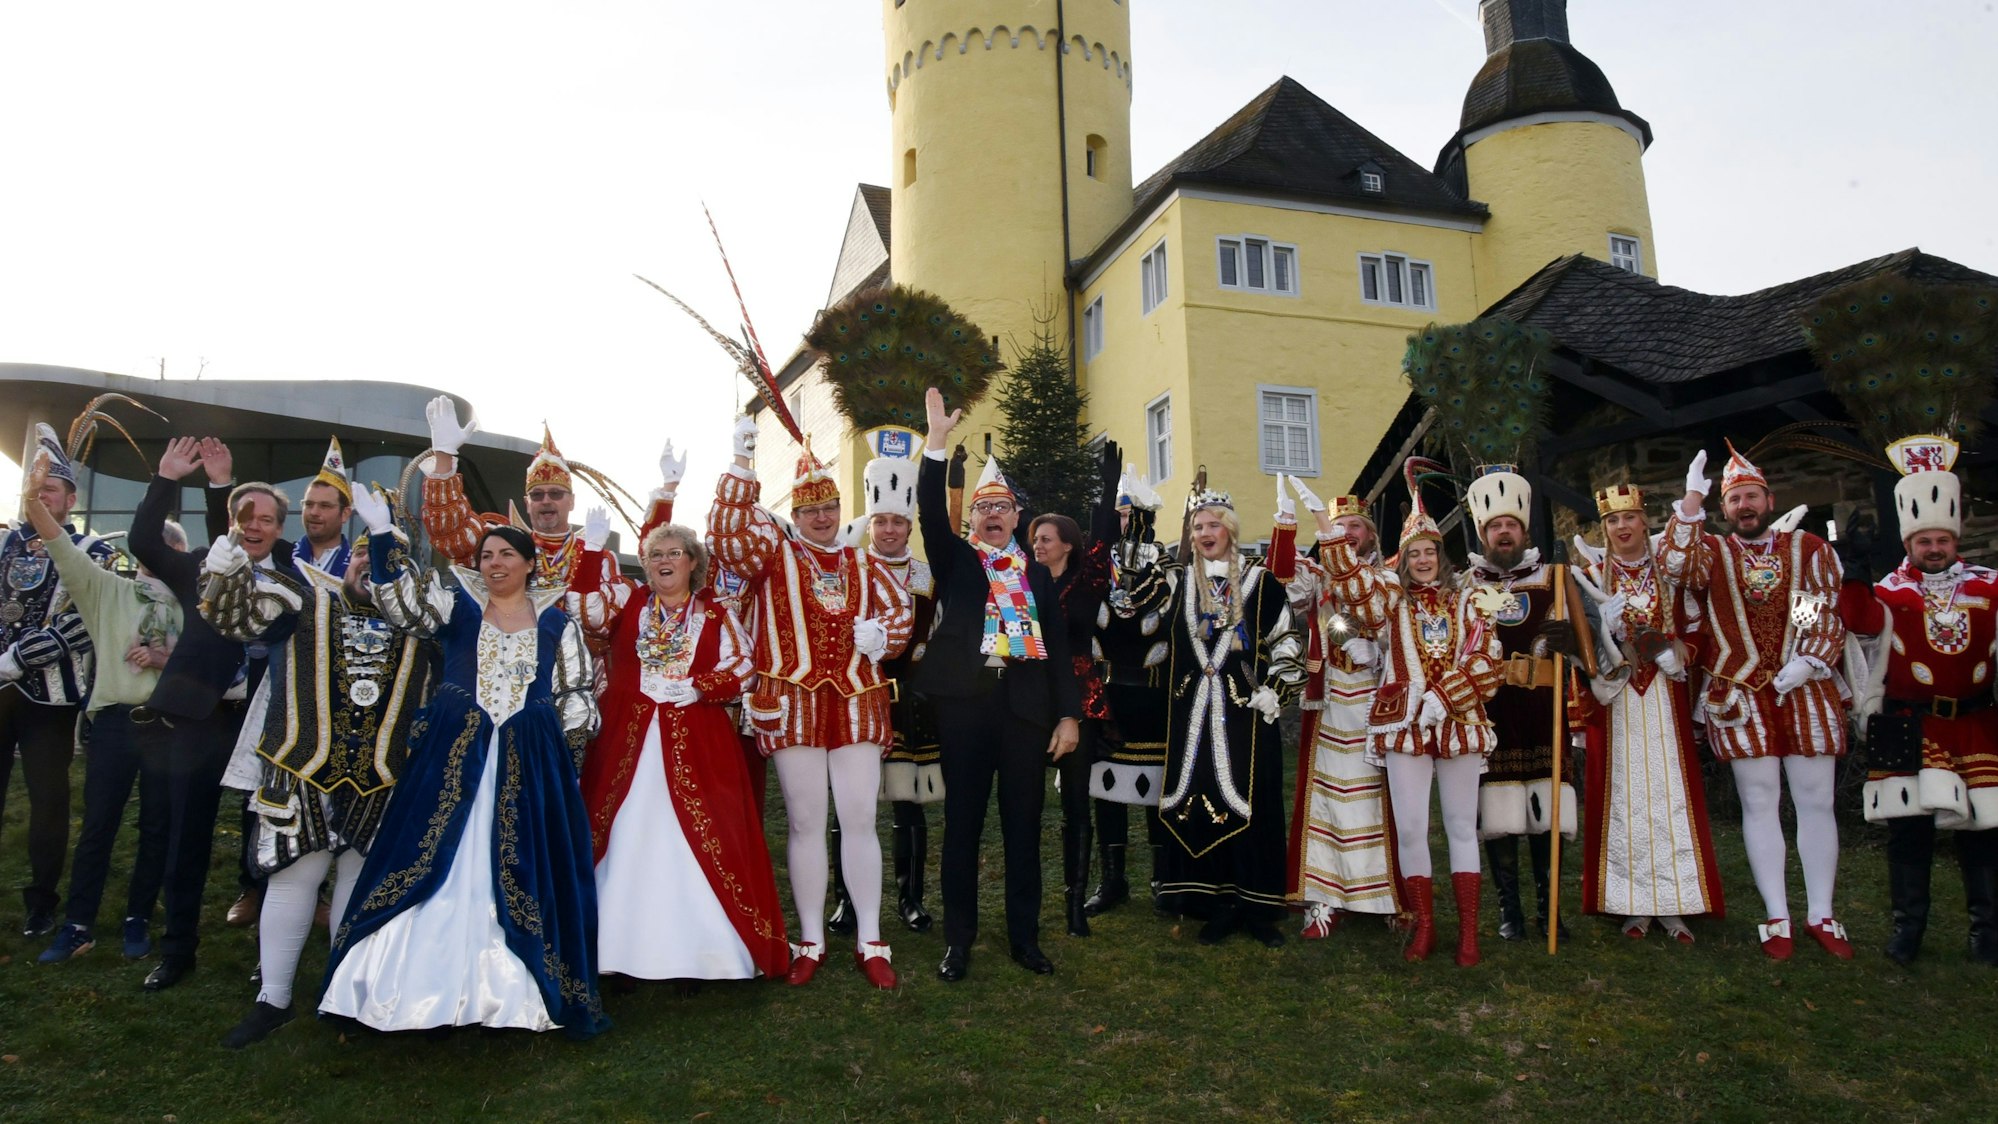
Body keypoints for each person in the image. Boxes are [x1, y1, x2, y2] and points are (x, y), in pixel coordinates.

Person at [322, 509, 606, 1037]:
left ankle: (509, 994)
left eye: (506, 555)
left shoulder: (556, 624)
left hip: (528, 763)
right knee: (431, 858)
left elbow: (576, 695)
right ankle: (405, 988)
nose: (494, 564)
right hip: (454, 756)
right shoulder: (456, 607)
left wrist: (558, 758)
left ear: (528, 563)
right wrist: (383, 537)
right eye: (486, 556)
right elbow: (400, 604)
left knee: (520, 863)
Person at [202, 523, 433, 1046]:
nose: (368, 571)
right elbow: (236, 617)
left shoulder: (420, 620)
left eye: (383, 564)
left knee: (356, 879)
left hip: (380, 776)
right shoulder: (303, 598)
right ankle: (274, 999)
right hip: (303, 765)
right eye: (361, 559)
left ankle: (342, 993)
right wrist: (227, 571)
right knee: (293, 878)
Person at [708, 419, 912, 989]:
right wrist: (741, 463)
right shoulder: (771, 557)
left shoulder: (867, 564)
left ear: (841, 509)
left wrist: (885, 638)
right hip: (792, 701)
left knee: (860, 820)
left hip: (857, 703)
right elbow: (725, 536)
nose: (821, 518)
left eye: (829, 507)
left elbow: (901, 617)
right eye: (809, 510)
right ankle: (811, 939)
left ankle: (872, 939)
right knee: (803, 822)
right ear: (794, 515)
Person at [573, 516, 790, 985]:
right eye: (656, 555)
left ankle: (702, 953)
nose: (664, 561)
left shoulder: (716, 613)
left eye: (674, 553)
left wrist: (700, 687)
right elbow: (584, 611)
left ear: (694, 563)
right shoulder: (628, 601)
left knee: (701, 832)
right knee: (626, 830)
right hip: (626, 739)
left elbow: (744, 665)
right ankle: (617, 950)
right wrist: (590, 552)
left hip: (696, 736)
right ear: (646, 566)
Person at [1659, 444, 1852, 959]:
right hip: (1739, 692)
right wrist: (1690, 501)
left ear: (1769, 499)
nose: (1745, 505)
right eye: (1735, 499)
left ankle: (1821, 914)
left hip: (1803, 689)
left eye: (1752, 496)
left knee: (1816, 803)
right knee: (1760, 803)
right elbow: (1674, 565)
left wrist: (1808, 659)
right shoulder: (1713, 553)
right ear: (1726, 510)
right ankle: (1777, 917)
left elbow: (1820, 608)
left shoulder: (1807, 548)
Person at [915, 388, 1081, 980]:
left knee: (1023, 827)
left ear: (1016, 517)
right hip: (964, 709)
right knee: (961, 825)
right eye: (983, 509)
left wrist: (1068, 716)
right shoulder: (957, 560)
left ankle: (1024, 938)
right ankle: (958, 940)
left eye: (1003, 509)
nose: (992, 516)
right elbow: (931, 513)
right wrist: (936, 443)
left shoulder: (1037, 574)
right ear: (974, 518)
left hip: (1025, 713)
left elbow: (1059, 651)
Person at [1119, 482, 1304, 947]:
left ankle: (1256, 905)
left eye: (1214, 524)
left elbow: (1286, 642)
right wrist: (1140, 517)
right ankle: (1211, 901)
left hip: (1246, 713)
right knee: (1200, 798)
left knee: (1252, 801)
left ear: (1231, 528)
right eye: (1198, 525)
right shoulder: (1179, 581)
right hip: (1190, 714)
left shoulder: (1262, 582)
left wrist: (1275, 691)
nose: (1206, 532)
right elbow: (1134, 587)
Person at [1837, 434, 1998, 965]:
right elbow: (1856, 624)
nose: (1933, 549)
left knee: (1983, 830)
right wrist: (1853, 576)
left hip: (1977, 723)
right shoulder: (1887, 592)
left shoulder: (1991, 587)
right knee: (1908, 834)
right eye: (1922, 541)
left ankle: (1986, 933)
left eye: (1941, 541)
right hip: (1906, 724)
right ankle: (1909, 929)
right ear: (1908, 544)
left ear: (1955, 539)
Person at [22, 432, 177, 964]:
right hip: (113, 724)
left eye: (170, 546)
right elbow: (61, 546)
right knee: (98, 828)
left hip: (168, 728)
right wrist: (33, 497)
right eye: (153, 544)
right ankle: (78, 924)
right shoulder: (106, 588)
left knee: (156, 828)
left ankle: (138, 918)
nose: (161, 554)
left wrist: (166, 659)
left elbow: (217, 665)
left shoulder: (193, 603)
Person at [127, 437, 270, 990]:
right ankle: (178, 949)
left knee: (268, 840)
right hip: (199, 718)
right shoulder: (196, 570)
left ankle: (270, 954)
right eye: (244, 516)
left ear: (279, 530)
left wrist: (223, 489)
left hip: (264, 721)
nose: (253, 526)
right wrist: (168, 478)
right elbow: (143, 538)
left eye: (266, 519)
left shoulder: (290, 580)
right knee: (186, 833)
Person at [1577, 484, 1724, 942]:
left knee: (1669, 796)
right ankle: (1631, 904)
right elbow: (1578, 643)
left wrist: (1680, 655)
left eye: (1630, 518)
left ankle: (1677, 902)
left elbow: (1702, 625)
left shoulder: (1670, 572)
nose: (1622, 527)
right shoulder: (1591, 575)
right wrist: (1607, 634)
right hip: (1618, 701)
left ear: (1645, 522)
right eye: (1613, 521)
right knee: (1623, 796)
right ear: (1605, 528)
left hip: (1665, 698)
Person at [418, 397, 677, 648]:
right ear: (526, 503)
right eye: (537, 495)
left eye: (556, 494)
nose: (546, 501)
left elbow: (601, 625)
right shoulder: (503, 542)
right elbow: (453, 538)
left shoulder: (600, 557)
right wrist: (444, 456)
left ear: (571, 501)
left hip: (576, 671)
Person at [1366, 488, 1503, 965]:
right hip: (1404, 727)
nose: (1423, 561)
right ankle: (1424, 926)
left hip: (1460, 723)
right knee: (1410, 830)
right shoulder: (1392, 602)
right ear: (1402, 560)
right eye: (1414, 554)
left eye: (1430, 552)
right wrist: (1330, 534)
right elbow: (1356, 601)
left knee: (1463, 827)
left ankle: (1468, 932)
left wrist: (1444, 698)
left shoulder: (1469, 601)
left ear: (1441, 556)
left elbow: (1488, 662)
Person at [1460, 465, 1592, 944]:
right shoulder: (1467, 585)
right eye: (1495, 526)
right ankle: (1510, 911)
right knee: (1499, 818)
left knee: (1547, 813)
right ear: (1483, 533)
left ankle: (1549, 910)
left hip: (1543, 708)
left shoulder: (1553, 576)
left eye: (1511, 525)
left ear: (1524, 529)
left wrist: (1573, 636)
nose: (1504, 532)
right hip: (1492, 710)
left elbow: (1589, 640)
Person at [0, 427, 117, 938]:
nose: (40, 496)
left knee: (48, 804)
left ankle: (41, 903)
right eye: (35, 488)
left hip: (49, 699)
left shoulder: (93, 550)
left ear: (70, 499)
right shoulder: (4, 541)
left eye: (50, 490)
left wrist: (17, 659)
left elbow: (83, 622)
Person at [1280, 477, 1400, 938]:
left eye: (1356, 525)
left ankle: (1384, 896)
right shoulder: (1319, 574)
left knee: (1378, 797)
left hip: (1376, 697)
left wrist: (1382, 652)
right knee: (1327, 797)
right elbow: (1287, 588)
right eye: (1340, 524)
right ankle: (1324, 899)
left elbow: (1383, 620)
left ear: (1369, 534)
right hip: (1328, 697)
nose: (1348, 531)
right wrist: (1286, 529)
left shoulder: (1389, 575)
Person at [1028, 447, 1118, 937]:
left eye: (1046, 538)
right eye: (1035, 538)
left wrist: (1105, 493)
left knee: (1077, 803)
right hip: (1030, 696)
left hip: (1081, 699)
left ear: (1066, 542)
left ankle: (1075, 903)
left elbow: (1104, 538)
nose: (1037, 544)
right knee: (1026, 802)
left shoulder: (1088, 578)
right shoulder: (1025, 581)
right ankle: (1029, 899)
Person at [861, 451, 945, 933]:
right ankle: (848, 899)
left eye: (898, 521)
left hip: (910, 705)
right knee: (851, 806)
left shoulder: (925, 577)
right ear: (871, 523)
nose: (889, 530)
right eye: (882, 521)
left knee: (908, 807)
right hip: (858, 700)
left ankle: (909, 897)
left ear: (909, 526)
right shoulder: (851, 570)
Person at [1086, 467, 1169, 916]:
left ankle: (1161, 875)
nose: (1121, 521)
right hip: (1106, 694)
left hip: (1154, 697)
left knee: (1157, 789)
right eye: (1116, 513)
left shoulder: (1168, 570)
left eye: (1126, 512)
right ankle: (1112, 878)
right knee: (1106, 790)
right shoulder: (1098, 568)